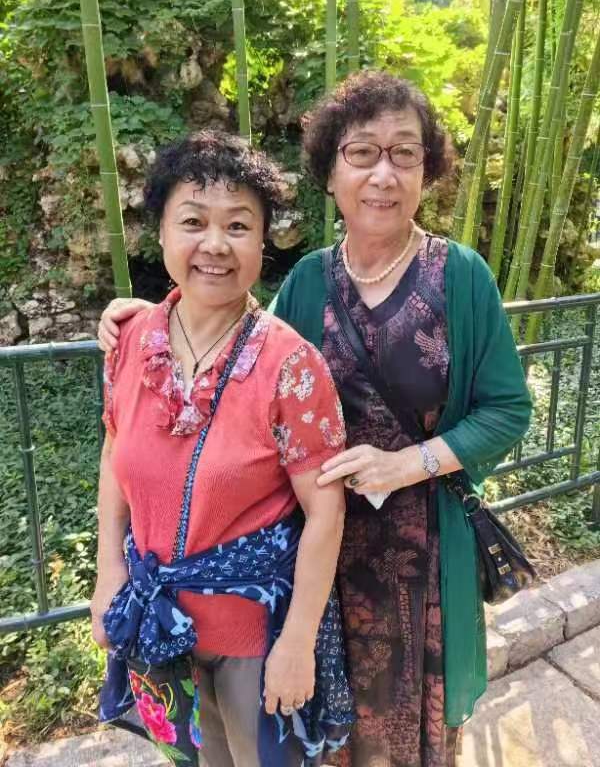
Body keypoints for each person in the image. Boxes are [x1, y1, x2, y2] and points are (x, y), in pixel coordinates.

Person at [98, 71, 531, 767]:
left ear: (427, 171)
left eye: (404, 153)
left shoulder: (460, 277)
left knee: (405, 733)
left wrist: (409, 463)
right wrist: (149, 317)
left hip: (420, 553)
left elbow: (508, 410)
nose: (383, 174)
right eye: (362, 153)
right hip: (309, 556)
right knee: (315, 731)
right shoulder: (307, 280)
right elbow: (237, 354)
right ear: (331, 172)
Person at [91, 130, 354, 767]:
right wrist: (108, 574)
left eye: (238, 225)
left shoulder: (291, 364)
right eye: (192, 222)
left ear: (262, 243)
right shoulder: (130, 341)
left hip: (252, 635)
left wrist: (297, 643)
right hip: (158, 621)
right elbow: (114, 455)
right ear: (161, 234)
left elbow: (325, 511)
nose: (214, 244)